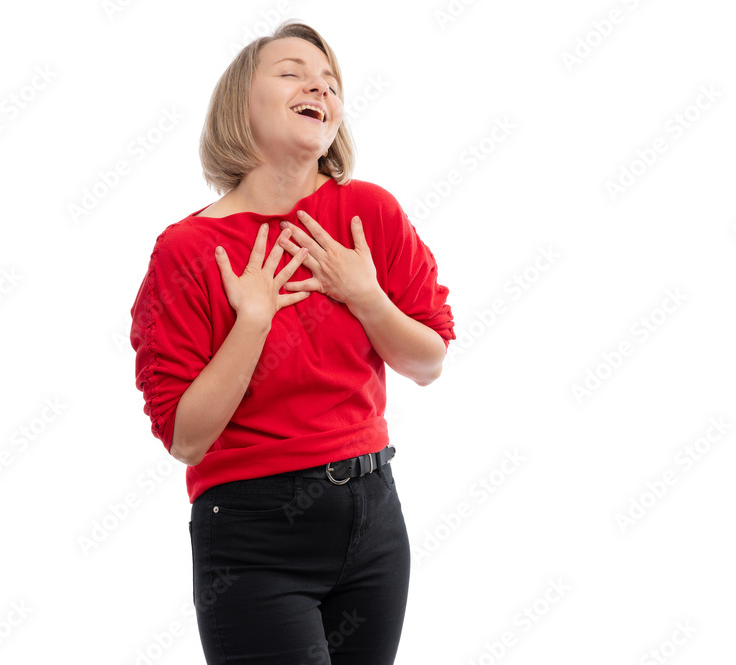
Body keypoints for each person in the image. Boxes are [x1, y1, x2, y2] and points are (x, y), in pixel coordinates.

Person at [129, 19, 455, 665]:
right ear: (238, 104)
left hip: (375, 514)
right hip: (255, 532)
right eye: (293, 72)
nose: (319, 87)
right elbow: (186, 437)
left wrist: (363, 293)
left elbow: (428, 361)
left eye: (331, 82)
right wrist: (251, 320)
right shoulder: (187, 250)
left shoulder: (370, 214)